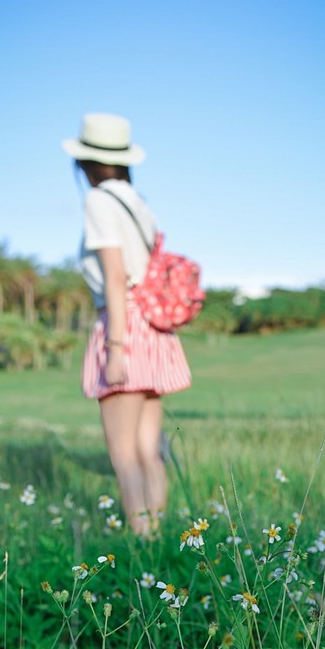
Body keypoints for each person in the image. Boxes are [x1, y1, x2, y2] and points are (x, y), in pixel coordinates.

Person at [62, 113, 191, 536]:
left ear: (86, 162)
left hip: (123, 324)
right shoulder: (139, 203)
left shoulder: (98, 201)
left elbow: (115, 276)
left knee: (123, 455)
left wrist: (115, 349)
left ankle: (140, 542)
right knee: (148, 451)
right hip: (153, 328)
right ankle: (160, 536)